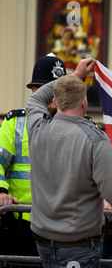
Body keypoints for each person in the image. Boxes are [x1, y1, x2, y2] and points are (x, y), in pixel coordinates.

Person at [25, 57, 112, 268]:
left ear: (56, 100)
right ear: (84, 102)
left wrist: (75, 75)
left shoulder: (36, 128)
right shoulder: (96, 140)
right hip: (78, 247)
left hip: (43, 242)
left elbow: (35, 99)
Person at [0, 54, 66, 256]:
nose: (56, 97)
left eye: (60, 91)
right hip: (20, 221)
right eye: (50, 90)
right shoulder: (14, 122)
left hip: (63, 224)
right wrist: (1, 193)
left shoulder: (80, 123)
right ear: (35, 91)